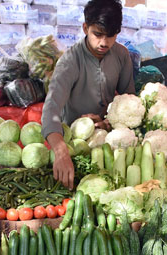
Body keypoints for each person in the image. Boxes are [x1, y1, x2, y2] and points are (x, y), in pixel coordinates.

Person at [41, 0, 135, 189]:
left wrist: (108, 122)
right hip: (74, 146)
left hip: (109, 140)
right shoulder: (70, 61)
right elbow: (50, 110)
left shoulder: (122, 55)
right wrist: (60, 150)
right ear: (85, 28)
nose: (104, 42)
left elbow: (130, 101)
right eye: (97, 34)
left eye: (111, 36)